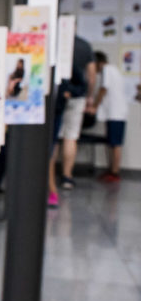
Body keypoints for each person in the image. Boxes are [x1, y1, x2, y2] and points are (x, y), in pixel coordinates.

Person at [48, 36, 96, 207]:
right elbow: (91, 76)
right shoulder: (84, 46)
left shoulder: (54, 42)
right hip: (70, 99)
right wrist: (88, 97)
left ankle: (52, 185)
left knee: (55, 141)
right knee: (69, 137)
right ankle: (66, 176)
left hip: (56, 101)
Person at [91, 51, 127, 182]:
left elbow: (103, 89)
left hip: (115, 113)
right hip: (115, 113)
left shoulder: (107, 70)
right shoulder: (114, 70)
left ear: (98, 63)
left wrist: (94, 106)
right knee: (112, 143)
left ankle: (115, 172)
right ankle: (111, 170)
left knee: (115, 144)